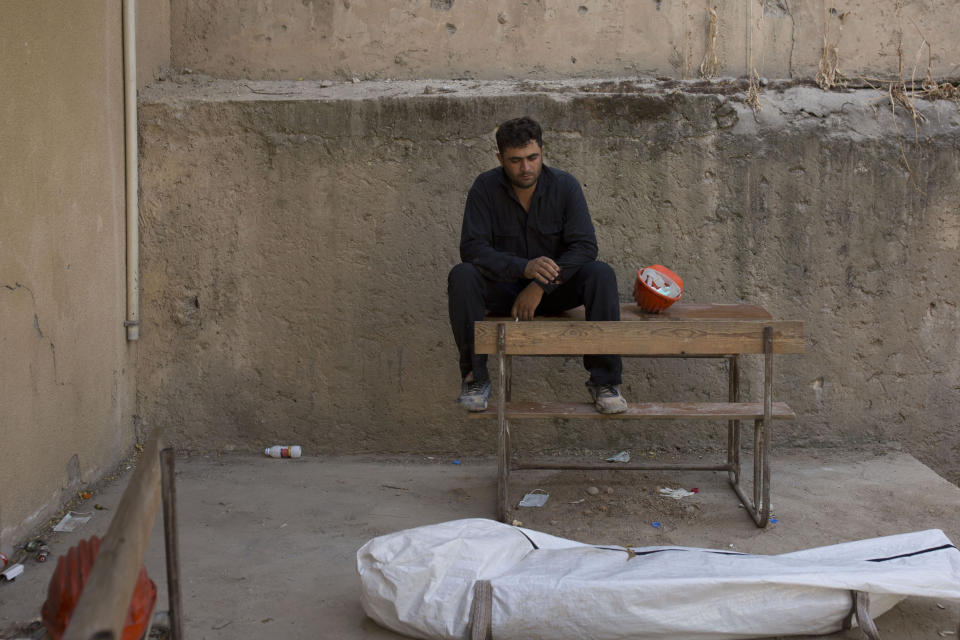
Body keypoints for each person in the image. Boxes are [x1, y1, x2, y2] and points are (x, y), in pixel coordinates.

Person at [447, 116, 627, 414]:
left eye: (532, 158)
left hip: (555, 292)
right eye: (515, 160)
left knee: (601, 273)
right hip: (504, 292)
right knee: (462, 275)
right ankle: (474, 378)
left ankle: (605, 381)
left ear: (543, 151)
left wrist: (540, 284)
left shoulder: (565, 186)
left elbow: (585, 246)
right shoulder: (485, 188)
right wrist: (524, 268)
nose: (526, 168)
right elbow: (473, 248)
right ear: (500, 158)